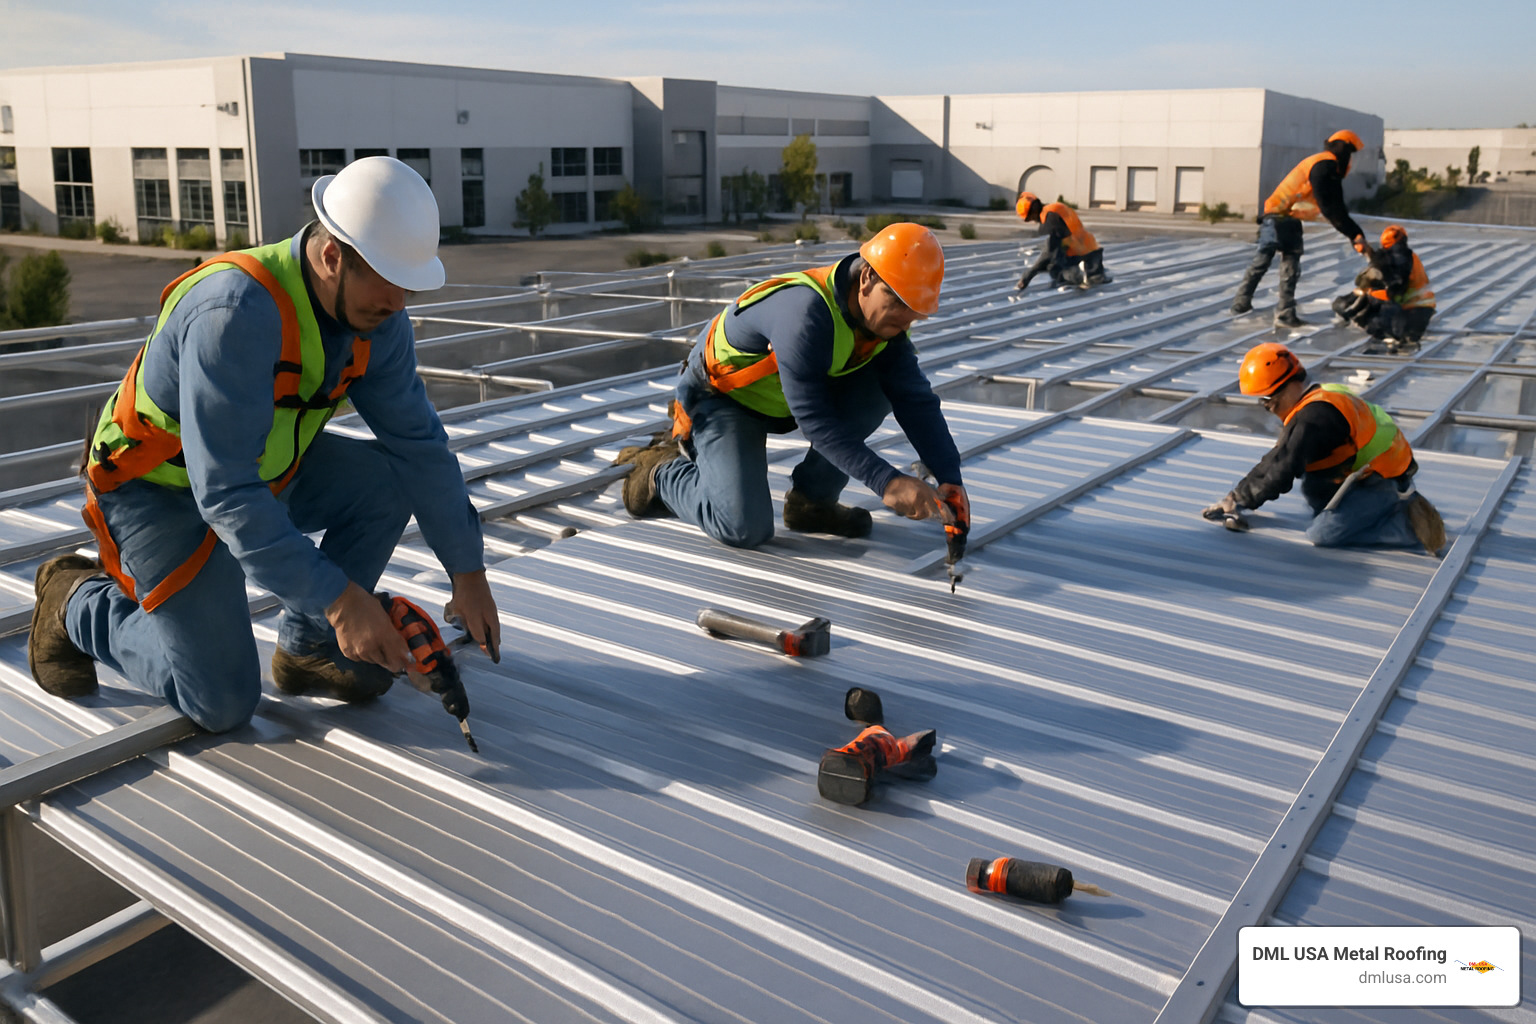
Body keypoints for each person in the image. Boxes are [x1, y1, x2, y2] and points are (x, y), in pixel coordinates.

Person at [28, 156, 501, 733]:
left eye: (409, 286)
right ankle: (75, 601)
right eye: (389, 282)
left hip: (265, 471)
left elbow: (418, 445)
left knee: (390, 479)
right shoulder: (233, 313)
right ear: (333, 256)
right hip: (159, 487)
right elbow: (225, 492)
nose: (400, 304)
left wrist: (466, 570)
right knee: (221, 701)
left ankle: (310, 648)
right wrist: (340, 597)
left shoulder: (377, 318)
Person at [615, 223, 969, 551]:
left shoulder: (883, 327)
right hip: (722, 399)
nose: (905, 321)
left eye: (915, 312)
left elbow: (916, 401)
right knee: (743, 526)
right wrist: (887, 482)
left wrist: (950, 477)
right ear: (866, 280)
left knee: (879, 390)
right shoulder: (806, 314)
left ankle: (811, 503)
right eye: (898, 305)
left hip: (780, 400)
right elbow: (814, 419)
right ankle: (658, 470)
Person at [1202, 343, 1445, 553]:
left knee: (1323, 534)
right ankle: (1366, 508)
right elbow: (1279, 456)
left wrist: (1242, 500)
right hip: (1366, 471)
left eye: (1269, 401)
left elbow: (1284, 467)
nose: (1269, 408)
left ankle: (1408, 525)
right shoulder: (1318, 399)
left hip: (1383, 479)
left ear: (1287, 387)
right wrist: (1236, 496)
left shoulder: (1314, 418)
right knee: (1314, 489)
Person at [1230, 130, 1374, 328]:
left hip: (1286, 216)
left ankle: (1259, 307)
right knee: (1275, 262)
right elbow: (1330, 207)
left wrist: (1355, 233)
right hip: (1279, 215)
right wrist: (1354, 234)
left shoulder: (1325, 164)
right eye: (1350, 154)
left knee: (1276, 263)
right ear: (1344, 150)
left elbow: (1338, 207)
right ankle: (1262, 309)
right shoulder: (1324, 166)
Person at [1332, 224, 1436, 353]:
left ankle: (1392, 335)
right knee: (1374, 301)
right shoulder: (1408, 256)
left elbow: (1394, 286)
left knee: (1374, 320)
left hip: (1410, 310)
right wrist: (1368, 251)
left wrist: (1368, 295)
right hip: (1420, 308)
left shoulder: (1400, 259)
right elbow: (1385, 265)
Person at [1013, 192, 1111, 290]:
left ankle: (1074, 276)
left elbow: (1049, 253)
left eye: (1029, 218)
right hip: (1092, 250)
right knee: (1095, 280)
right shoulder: (1054, 208)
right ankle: (1093, 275)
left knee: (1053, 269)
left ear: (1033, 211)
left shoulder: (1049, 219)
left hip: (1076, 254)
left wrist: (1028, 275)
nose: (1032, 221)